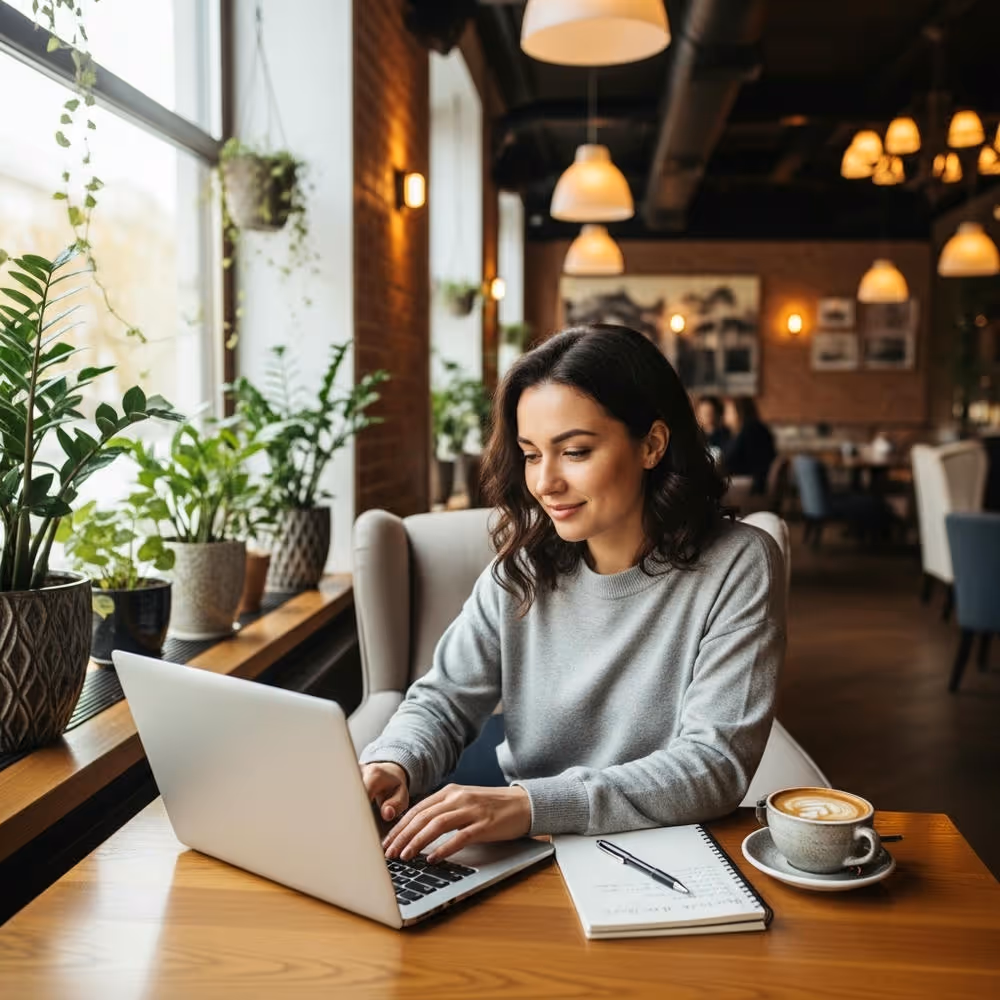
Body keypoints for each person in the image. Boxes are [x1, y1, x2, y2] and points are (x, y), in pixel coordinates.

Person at [360, 325, 785, 864]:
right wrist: (394, 761)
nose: (545, 483)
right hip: (530, 852)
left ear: (652, 444)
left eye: (575, 451)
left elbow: (713, 765)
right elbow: (443, 700)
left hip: (666, 854)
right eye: (531, 454)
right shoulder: (520, 567)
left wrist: (529, 804)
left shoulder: (737, 563)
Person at [723, 396, 777, 496]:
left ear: (740, 412)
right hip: (753, 481)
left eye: (729, 411)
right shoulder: (752, 428)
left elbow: (729, 460)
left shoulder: (749, 430)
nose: (725, 415)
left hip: (753, 485)